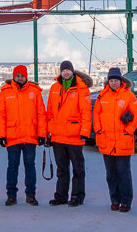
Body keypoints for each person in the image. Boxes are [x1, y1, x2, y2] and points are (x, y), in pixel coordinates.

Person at [0, 64, 47, 206]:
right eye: (17, 76)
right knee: (12, 166)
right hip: (12, 137)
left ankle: (31, 195)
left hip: (30, 136)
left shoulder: (35, 91)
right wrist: (1, 135)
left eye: (22, 76)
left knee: (30, 166)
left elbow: (41, 114)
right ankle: (11, 195)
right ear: (13, 77)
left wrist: (42, 134)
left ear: (26, 76)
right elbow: (0, 115)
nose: (19, 78)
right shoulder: (6, 92)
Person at [93, 66, 137, 212]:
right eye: (111, 80)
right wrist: (99, 130)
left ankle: (126, 201)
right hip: (106, 140)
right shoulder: (102, 95)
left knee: (123, 173)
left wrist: (129, 130)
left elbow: (136, 113)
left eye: (116, 80)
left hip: (123, 141)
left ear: (121, 81)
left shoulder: (129, 95)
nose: (113, 83)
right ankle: (114, 199)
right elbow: (96, 113)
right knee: (110, 174)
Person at [46, 60, 92, 207]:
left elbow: (86, 111)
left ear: (73, 71)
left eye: (68, 70)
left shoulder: (81, 88)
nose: (66, 72)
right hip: (58, 136)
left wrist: (85, 131)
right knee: (62, 169)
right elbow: (50, 112)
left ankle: (77, 196)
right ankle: (61, 196)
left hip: (75, 136)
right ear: (60, 72)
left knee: (78, 169)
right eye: (63, 70)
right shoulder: (54, 88)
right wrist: (48, 133)